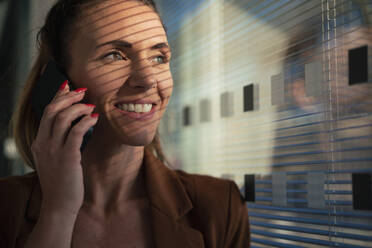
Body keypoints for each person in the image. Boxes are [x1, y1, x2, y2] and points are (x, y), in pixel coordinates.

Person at [0, 0, 250, 247]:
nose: (148, 79)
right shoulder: (7, 206)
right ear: (58, 81)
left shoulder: (220, 207)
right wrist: (58, 212)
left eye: (159, 57)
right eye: (114, 55)